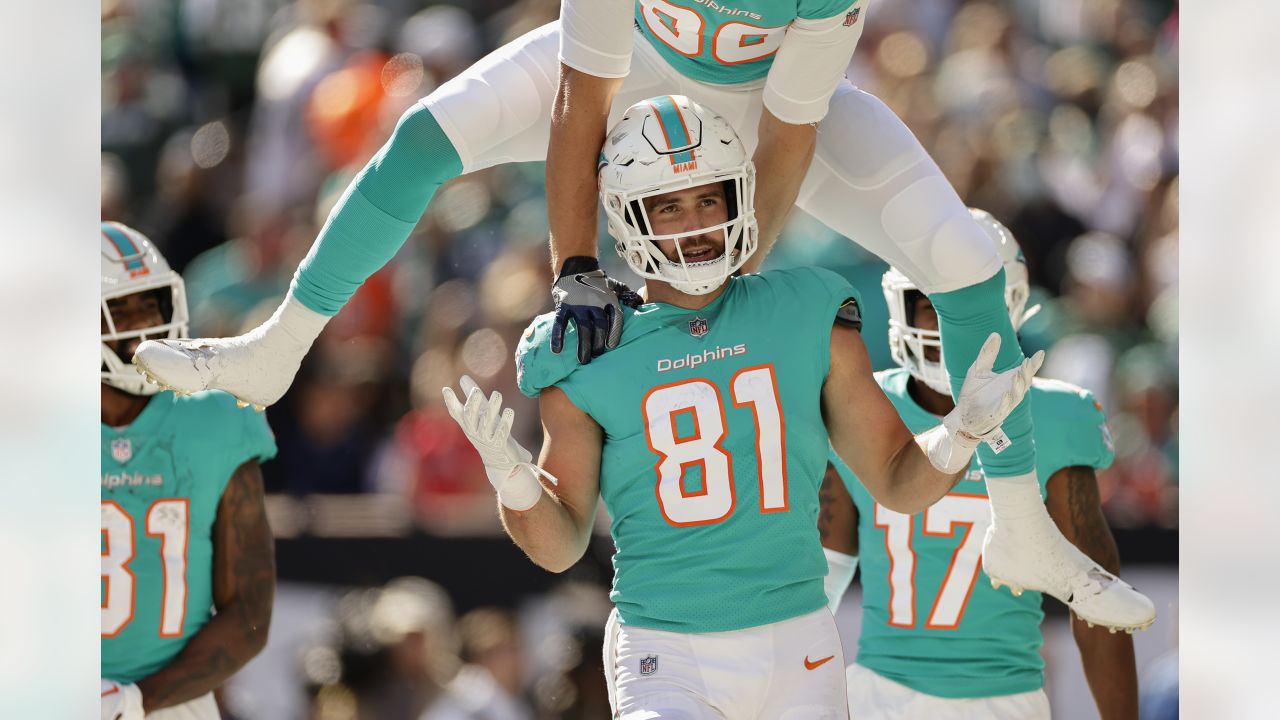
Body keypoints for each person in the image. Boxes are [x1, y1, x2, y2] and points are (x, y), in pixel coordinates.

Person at [132, 0, 1151, 627]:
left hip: (751, 123)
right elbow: (585, 96)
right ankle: (277, 347)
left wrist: (742, 265)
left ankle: (1015, 527)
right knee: (419, 138)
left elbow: (787, 136)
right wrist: (575, 264)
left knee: (966, 258)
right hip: (622, 93)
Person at [441, 97, 1042, 719]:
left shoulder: (808, 308)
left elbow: (897, 479)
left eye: (709, 198)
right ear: (627, 217)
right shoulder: (588, 350)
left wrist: (960, 430)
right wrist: (515, 483)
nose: (696, 223)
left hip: (800, 641)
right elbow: (561, 544)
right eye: (669, 206)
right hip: (665, 648)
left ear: (738, 199)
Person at [820, 213, 1142, 719]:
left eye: (969, 310)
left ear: (1009, 306)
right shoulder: (865, 405)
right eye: (928, 306)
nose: (947, 325)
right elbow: (823, 582)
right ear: (899, 305)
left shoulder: (1056, 415)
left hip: (1003, 700)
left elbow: (1094, 599)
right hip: (880, 696)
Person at [100, 222, 277, 720]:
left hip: (173, 707)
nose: (143, 325)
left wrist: (136, 699)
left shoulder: (216, 416)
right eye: (121, 309)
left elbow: (249, 614)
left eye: (150, 303)